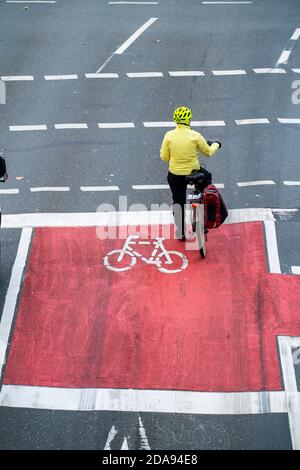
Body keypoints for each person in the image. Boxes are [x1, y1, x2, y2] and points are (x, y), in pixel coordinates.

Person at [160, 106, 221, 241]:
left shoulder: (169, 136)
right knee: (207, 177)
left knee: (178, 201)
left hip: (175, 174)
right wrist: (216, 144)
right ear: (189, 120)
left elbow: (164, 157)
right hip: (194, 172)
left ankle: (181, 233)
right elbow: (208, 152)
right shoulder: (195, 135)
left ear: (175, 120)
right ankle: (204, 202)